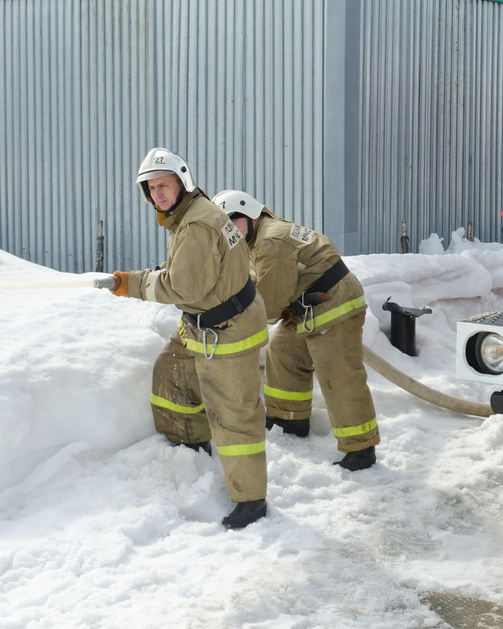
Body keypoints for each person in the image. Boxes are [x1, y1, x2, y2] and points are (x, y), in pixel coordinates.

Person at [108, 149, 270, 530]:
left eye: (164, 185)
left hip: (226, 331)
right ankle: (191, 443)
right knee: (172, 369)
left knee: (235, 415)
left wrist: (132, 283)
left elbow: (183, 285)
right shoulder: (194, 215)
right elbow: (192, 268)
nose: (158, 194)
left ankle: (251, 500)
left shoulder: (196, 224)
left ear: (183, 181)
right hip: (203, 321)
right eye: (151, 188)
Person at [211, 189, 380, 471]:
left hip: (334, 303)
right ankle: (288, 417)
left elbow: (270, 303)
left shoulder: (270, 241)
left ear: (251, 215)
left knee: (338, 374)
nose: (231, 233)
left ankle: (361, 448)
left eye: (233, 223)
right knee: (283, 351)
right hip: (307, 306)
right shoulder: (258, 238)